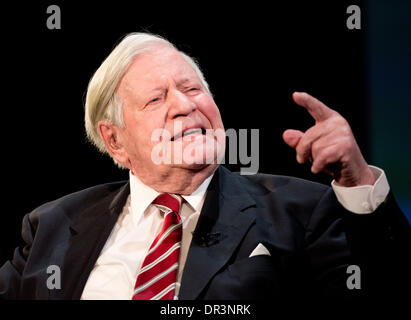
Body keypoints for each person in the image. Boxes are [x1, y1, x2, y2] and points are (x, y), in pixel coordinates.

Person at [0, 32, 409, 300]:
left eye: (192, 88)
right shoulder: (51, 226)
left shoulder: (298, 210)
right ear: (115, 140)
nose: (185, 105)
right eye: (156, 99)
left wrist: (357, 180)